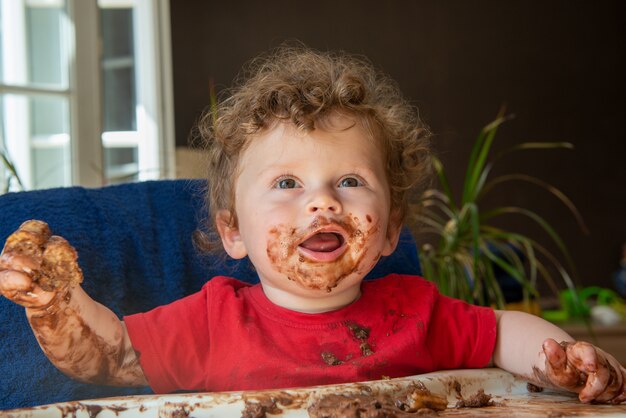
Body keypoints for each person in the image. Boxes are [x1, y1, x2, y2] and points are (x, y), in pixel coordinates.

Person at [0, 45, 624, 405]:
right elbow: (111, 357)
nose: (322, 204)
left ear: (388, 232)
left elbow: (500, 334)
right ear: (233, 232)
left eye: (349, 182)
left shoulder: (415, 312)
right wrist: (56, 303)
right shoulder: (213, 321)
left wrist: (563, 359)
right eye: (287, 185)